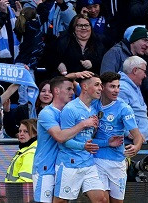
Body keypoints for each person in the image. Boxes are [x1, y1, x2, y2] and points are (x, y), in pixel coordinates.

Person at [33, 74, 99, 203]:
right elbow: (60, 137)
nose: (72, 92)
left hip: (61, 164)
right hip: (45, 166)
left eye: (73, 89)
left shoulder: (69, 111)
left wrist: (75, 77)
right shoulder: (47, 113)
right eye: (69, 89)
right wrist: (84, 124)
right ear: (57, 91)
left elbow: (85, 93)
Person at [54, 75, 106, 202]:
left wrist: (107, 142)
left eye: (101, 85)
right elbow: (64, 140)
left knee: (101, 199)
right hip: (70, 163)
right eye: (97, 85)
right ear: (85, 87)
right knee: (61, 201)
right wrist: (83, 146)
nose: (100, 88)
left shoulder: (94, 107)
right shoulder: (70, 109)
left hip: (88, 162)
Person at [93, 72, 143, 203]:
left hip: (117, 161)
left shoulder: (124, 108)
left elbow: (138, 137)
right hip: (96, 160)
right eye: (112, 87)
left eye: (118, 87)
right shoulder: (93, 105)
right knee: (101, 200)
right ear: (102, 87)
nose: (116, 91)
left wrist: (136, 147)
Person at [118, 56, 148, 143]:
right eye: (144, 71)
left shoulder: (135, 87)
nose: (145, 76)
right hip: (129, 143)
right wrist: (129, 133)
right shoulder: (122, 88)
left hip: (141, 141)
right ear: (135, 70)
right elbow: (119, 114)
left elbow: (139, 113)